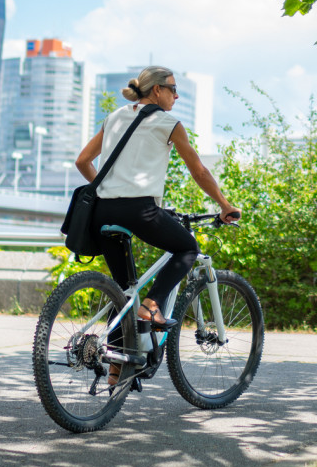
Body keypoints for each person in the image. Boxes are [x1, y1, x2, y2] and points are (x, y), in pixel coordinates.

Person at [74, 65, 239, 388]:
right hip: (139, 210)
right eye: (172, 89)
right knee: (187, 247)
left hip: (102, 211)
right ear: (156, 91)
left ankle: (116, 371)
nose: (176, 95)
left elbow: (82, 161)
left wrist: (110, 191)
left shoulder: (115, 116)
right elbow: (199, 171)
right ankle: (152, 307)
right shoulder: (168, 123)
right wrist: (224, 205)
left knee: (124, 292)